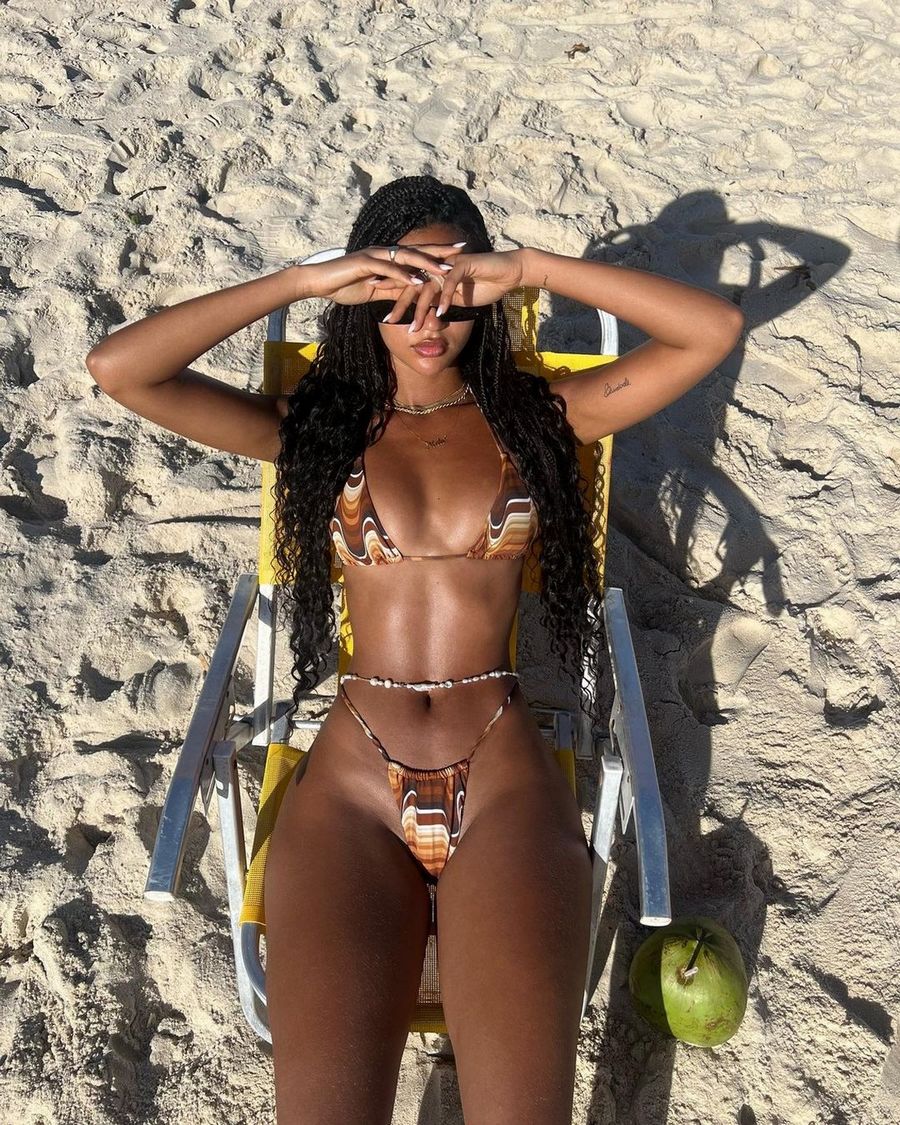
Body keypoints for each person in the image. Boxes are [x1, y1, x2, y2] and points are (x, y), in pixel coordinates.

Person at [85, 174, 744, 1124]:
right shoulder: (319, 430)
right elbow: (119, 368)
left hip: (504, 777)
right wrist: (304, 281)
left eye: (452, 286)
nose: (428, 315)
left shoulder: (540, 418)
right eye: (399, 289)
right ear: (364, 293)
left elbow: (712, 331)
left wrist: (527, 268)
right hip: (353, 784)